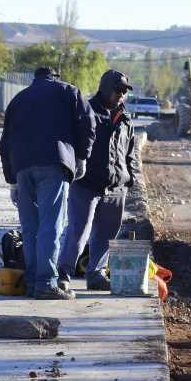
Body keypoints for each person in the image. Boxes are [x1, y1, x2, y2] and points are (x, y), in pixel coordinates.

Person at [0, 66, 95, 300]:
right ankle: (46, 282)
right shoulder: (68, 92)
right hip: (53, 164)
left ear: (35, 79)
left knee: (30, 228)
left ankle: (32, 282)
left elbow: (4, 144)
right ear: (55, 77)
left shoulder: (18, 99)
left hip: (22, 168)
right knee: (51, 225)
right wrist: (81, 156)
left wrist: (12, 181)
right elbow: (88, 125)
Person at [58, 70, 136, 293]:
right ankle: (63, 273)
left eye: (124, 92)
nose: (121, 95)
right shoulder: (86, 111)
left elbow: (130, 151)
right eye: (118, 90)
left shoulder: (125, 118)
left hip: (116, 187)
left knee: (107, 234)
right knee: (78, 231)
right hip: (87, 184)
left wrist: (129, 179)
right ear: (105, 89)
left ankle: (97, 274)